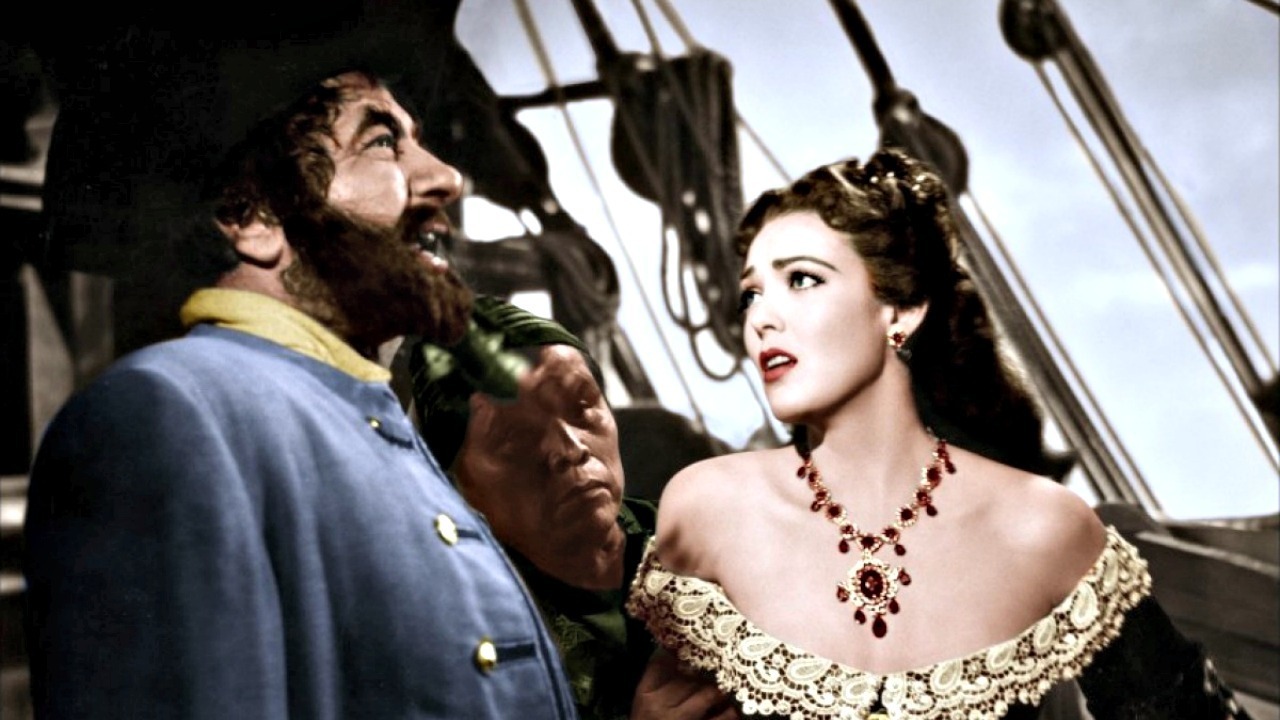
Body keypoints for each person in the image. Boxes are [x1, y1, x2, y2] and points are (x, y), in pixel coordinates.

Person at [22, 11, 578, 719]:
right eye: (383, 142)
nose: (446, 177)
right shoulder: (161, 419)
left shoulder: (353, 411)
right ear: (250, 215)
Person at [625, 147, 1252, 719]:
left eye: (803, 280)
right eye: (751, 294)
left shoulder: (1043, 527)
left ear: (901, 310)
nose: (762, 317)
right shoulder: (707, 509)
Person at [410, 296, 737, 720]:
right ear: (455, 485)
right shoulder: (476, 644)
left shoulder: (711, 539)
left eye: (582, 407)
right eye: (515, 436)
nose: (569, 448)